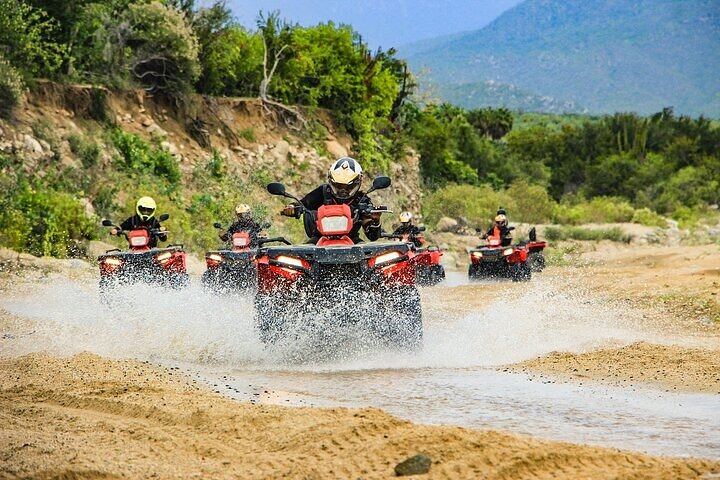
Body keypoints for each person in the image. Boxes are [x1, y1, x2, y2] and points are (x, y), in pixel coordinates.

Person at [280, 157, 382, 244]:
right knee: (299, 260)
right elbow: (304, 203)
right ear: (331, 182)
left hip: (352, 240)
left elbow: (372, 236)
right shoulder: (323, 191)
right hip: (318, 239)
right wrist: (293, 207)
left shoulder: (362, 200)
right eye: (338, 186)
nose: (343, 191)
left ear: (358, 183)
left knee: (372, 261)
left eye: (348, 187)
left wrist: (376, 220)